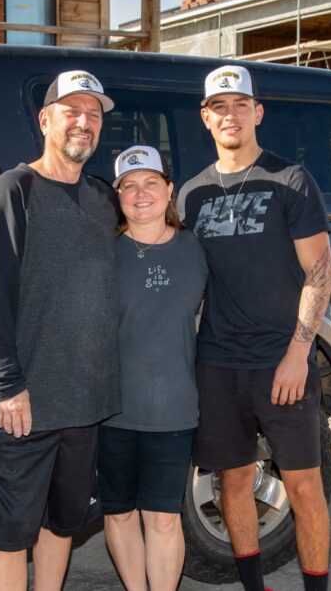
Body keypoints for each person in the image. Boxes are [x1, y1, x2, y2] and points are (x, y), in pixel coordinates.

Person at [177, 65, 331, 591]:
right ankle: (254, 587)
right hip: (218, 364)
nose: (230, 115)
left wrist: (298, 353)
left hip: (281, 361)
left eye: (240, 105)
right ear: (205, 117)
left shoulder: (290, 179)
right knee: (234, 480)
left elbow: (321, 272)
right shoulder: (192, 195)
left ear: (257, 112)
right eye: (219, 107)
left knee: (304, 487)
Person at [0, 70, 121, 591]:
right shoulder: (14, 191)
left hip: (83, 404)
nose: (84, 122)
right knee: (10, 533)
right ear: (45, 120)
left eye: (94, 115)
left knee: (64, 523)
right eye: (72, 111)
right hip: (19, 407)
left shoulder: (103, 200)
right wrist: (5, 386)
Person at [98, 145, 207, 591]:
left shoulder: (197, 249)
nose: (140, 194)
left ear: (169, 190)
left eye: (150, 183)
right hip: (110, 409)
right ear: (118, 194)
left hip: (174, 410)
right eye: (129, 185)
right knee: (120, 513)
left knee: (163, 519)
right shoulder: (102, 250)